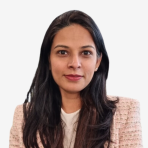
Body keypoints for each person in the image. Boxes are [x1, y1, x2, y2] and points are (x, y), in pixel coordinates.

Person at [9, 10, 143, 148]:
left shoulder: (126, 112)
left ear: (97, 61)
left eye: (86, 53)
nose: (74, 63)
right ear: (48, 59)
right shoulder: (24, 117)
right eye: (63, 52)